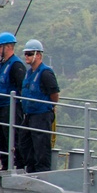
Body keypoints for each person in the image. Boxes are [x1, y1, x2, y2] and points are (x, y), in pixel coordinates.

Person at [17, 39, 60, 173]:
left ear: (39, 55)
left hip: (41, 116)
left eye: (30, 54)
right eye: (26, 54)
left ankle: (42, 173)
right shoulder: (29, 73)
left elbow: (54, 95)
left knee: (41, 147)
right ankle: (30, 171)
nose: (27, 57)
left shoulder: (46, 73)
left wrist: (48, 107)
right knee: (25, 144)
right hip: (29, 115)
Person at [0, 31, 26, 171]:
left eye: (0, 47)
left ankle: (18, 165)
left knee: (13, 137)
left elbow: (22, 87)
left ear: (8, 47)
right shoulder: (2, 64)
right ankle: (5, 164)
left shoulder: (16, 65)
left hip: (11, 108)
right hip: (0, 106)